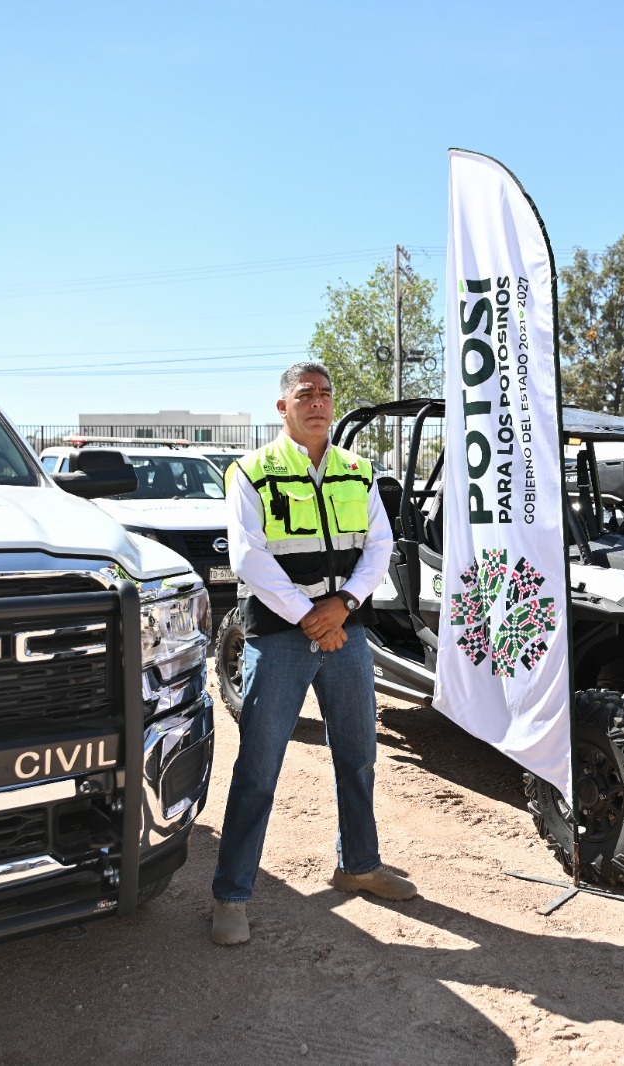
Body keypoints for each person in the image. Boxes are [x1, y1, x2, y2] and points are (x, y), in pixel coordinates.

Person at [210, 361, 414, 946]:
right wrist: (309, 616)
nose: (318, 403)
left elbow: (380, 546)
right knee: (257, 769)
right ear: (283, 406)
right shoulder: (252, 471)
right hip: (281, 640)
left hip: (345, 634)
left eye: (326, 394)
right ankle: (231, 895)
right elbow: (248, 557)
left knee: (358, 758)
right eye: (306, 395)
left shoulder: (358, 470)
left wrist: (342, 605)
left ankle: (359, 865)